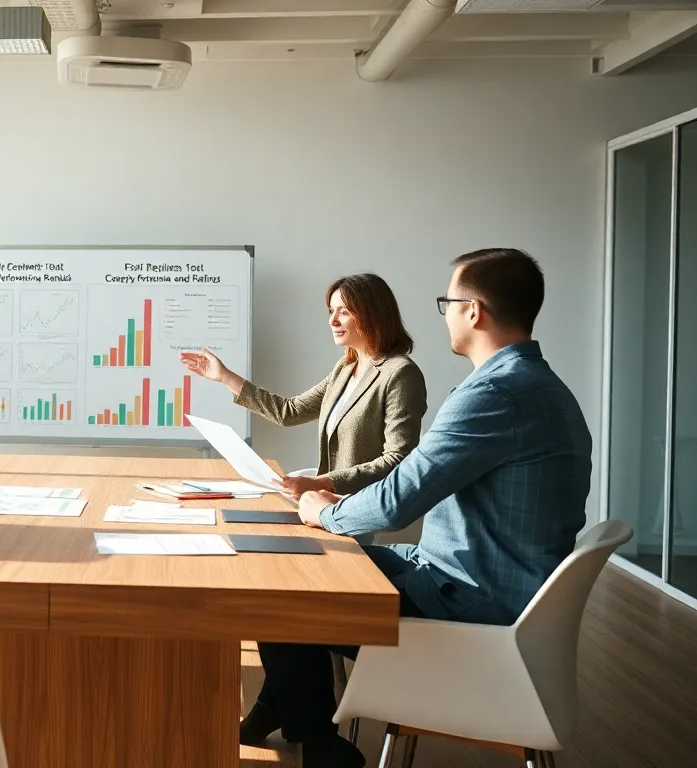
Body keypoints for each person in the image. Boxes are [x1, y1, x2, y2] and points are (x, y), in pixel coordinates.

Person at [239, 249, 592, 768]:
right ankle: (295, 715)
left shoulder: (493, 393)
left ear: (474, 311)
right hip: (481, 581)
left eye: (448, 301)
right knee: (296, 567)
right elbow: (413, 481)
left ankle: (318, 742)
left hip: (469, 603)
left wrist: (324, 511)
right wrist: (336, 504)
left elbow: (401, 496)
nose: (444, 312)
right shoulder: (540, 386)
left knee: (289, 587)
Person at [181, 273, 427, 499]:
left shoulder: (400, 374)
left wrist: (320, 483)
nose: (332, 320)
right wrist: (225, 376)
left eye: (344, 311)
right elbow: (289, 412)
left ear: (373, 314)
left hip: (362, 508)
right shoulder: (345, 367)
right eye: (331, 310)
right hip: (329, 505)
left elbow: (397, 459)